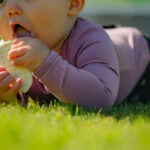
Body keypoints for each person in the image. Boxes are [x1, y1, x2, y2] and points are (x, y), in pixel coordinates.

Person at [0, 0, 149, 109]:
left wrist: (45, 64)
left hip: (142, 62)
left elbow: (101, 98)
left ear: (73, 4)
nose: (10, 8)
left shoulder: (91, 41)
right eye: (2, 1)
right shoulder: (11, 56)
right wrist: (10, 95)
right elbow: (24, 93)